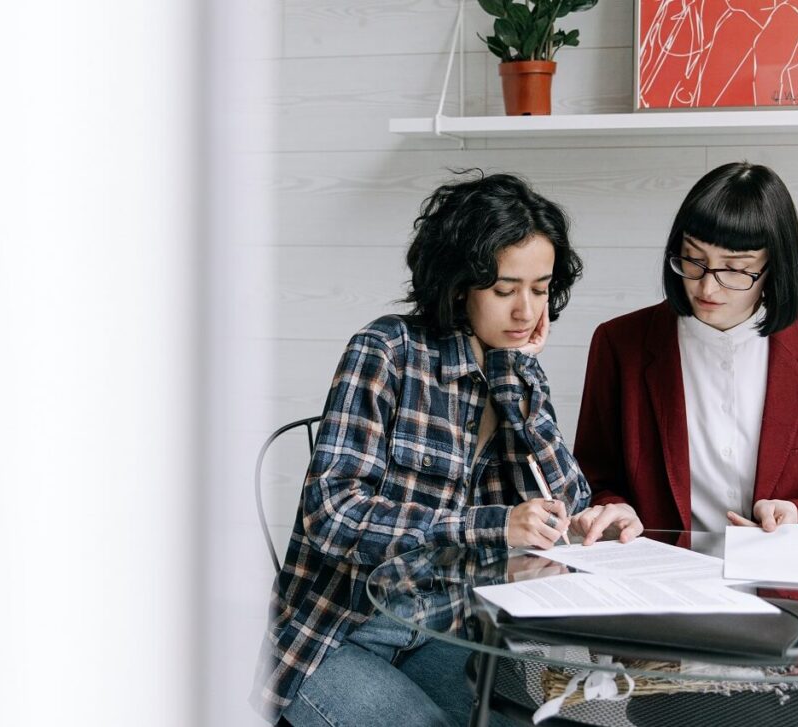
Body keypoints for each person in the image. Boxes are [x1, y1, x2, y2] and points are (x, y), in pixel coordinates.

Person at [252, 171, 607, 727]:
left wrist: (516, 379)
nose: (526, 312)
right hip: (335, 638)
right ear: (460, 282)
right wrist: (489, 526)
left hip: (445, 631)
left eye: (539, 289)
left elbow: (565, 502)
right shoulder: (386, 351)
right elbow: (332, 514)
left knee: (540, 722)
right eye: (504, 289)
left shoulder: (515, 369)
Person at [573, 161, 798, 544]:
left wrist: (797, 515)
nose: (708, 289)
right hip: (663, 584)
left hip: (788, 589)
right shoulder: (619, 343)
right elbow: (593, 480)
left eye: (735, 270)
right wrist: (614, 507)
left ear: (774, 267)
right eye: (694, 260)